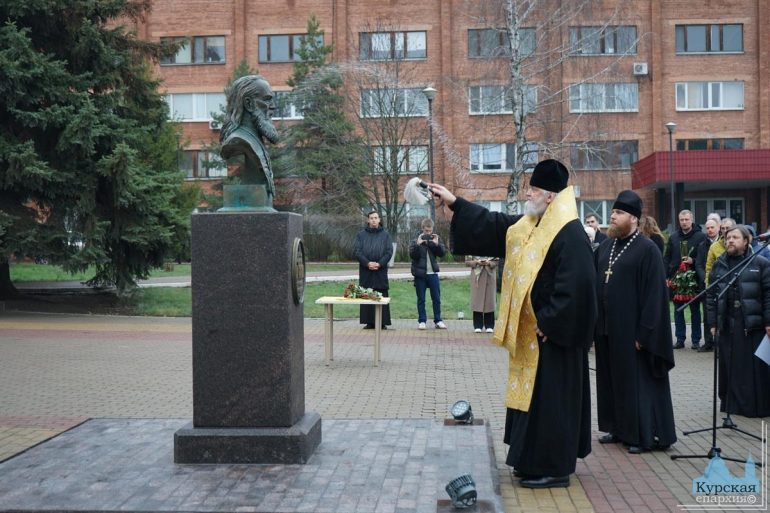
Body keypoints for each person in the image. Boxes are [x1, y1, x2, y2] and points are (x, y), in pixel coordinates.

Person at [429, 159, 596, 489]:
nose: (527, 194)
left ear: (550, 196)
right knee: (532, 403)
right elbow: (497, 226)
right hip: (532, 336)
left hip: (551, 338)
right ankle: (530, 460)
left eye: (533, 189)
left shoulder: (569, 232)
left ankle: (554, 468)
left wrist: (550, 322)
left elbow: (578, 285)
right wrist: (455, 203)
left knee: (551, 404)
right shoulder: (533, 225)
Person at [594, 190, 677, 454]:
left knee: (637, 384)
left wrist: (644, 333)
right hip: (608, 329)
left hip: (634, 332)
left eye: (618, 213)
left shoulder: (647, 249)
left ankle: (644, 435)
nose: (612, 217)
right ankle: (618, 428)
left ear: (633, 218)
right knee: (612, 380)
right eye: (613, 213)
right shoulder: (606, 247)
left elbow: (655, 297)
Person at [706, 225, 770, 418]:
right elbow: (711, 296)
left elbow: (768, 294)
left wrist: (768, 321)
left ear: (746, 241)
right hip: (727, 321)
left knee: (750, 367)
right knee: (730, 364)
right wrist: (712, 323)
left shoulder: (760, 263)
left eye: (735, 237)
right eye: (728, 238)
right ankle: (731, 404)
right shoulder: (720, 264)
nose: (730, 241)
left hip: (752, 323)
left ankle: (753, 406)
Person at [664, 210, 707, 350]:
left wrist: (692, 260)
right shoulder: (674, 237)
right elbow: (667, 257)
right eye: (681, 219)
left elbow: (704, 258)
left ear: (692, 219)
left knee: (695, 310)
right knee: (677, 310)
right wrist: (666, 276)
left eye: (686, 219)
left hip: (693, 279)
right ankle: (680, 339)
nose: (684, 222)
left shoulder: (701, 237)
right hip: (677, 279)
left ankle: (695, 340)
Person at [354, 210, 393, 329]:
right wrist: (367, 263)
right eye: (371, 218)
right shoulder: (361, 235)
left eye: (376, 218)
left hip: (380, 271)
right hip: (366, 270)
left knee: (381, 293)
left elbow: (389, 252)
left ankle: (382, 322)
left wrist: (380, 264)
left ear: (379, 219)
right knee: (367, 293)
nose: (374, 220)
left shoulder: (385, 235)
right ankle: (369, 322)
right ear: (368, 220)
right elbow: (357, 251)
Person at [409, 218, 447, 330]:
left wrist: (436, 244)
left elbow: (442, 254)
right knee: (421, 299)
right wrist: (418, 245)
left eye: (430, 231)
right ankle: (422, 321)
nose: (428, 233)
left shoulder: (435, 239)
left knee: (436, 298)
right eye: (426, 231)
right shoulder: (416, 240)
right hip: (420, 275)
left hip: (433, 274)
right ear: (422, 229)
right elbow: (412, 255)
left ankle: (438, 320)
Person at [694, 218, 721, 352]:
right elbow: (698, 264)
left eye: (712, 227)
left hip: (721, 283)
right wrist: (704, 277)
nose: (710, 230)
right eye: (708, 228)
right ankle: (708, 342)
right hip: (706, 284)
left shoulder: (723, 243)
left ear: (718, 228)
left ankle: (719, 343)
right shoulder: (702, 245)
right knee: (707, 314)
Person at [466, 256, 497, 332]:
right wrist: (477, 262)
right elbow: (467, 262)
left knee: (489, 301)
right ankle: (477, 325)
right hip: (477, 277)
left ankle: (489, 325)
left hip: (490, 276)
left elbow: (497, 261)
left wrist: (489, 263)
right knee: (477, 300)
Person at [705, 218, 736, 286]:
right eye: (723, 228)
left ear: (734, 228)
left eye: (727, 228)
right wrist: (708, 288)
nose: (725, 231)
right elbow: (709, 270)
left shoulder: (743, 244)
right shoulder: (714, 247)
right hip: (721, 285)